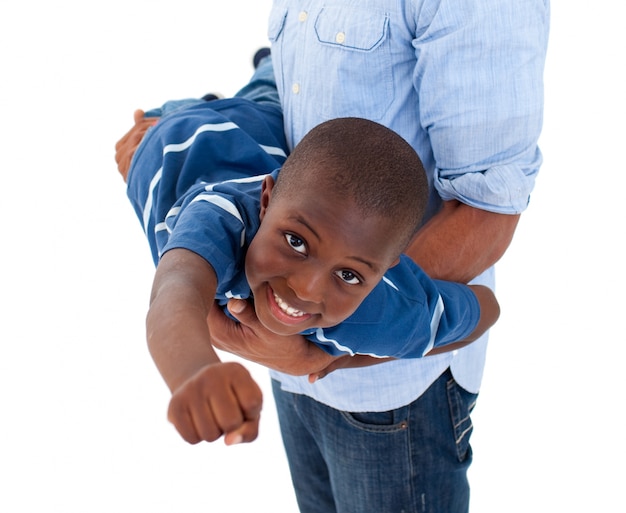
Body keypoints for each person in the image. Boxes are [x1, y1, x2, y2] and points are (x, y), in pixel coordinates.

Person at [206, 2, 550, 512]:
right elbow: (295, 99)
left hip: (393, 390)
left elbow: (485, 214)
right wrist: (177, 130)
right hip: (289, 359)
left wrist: (315, 343)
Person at [115, 57, 500, 448]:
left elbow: (486, 308)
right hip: (176, 132)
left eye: (349, 275)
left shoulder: (378, 314)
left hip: (246, 139)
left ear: (385, 272)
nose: (306, 288)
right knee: (270, 82)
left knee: (265, 92)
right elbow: (174, 292)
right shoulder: (221, 221)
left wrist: (344, 357)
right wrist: (193, 372)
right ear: (264, 202)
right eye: (296, 242)